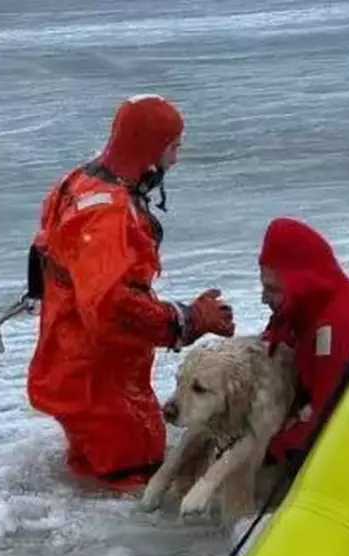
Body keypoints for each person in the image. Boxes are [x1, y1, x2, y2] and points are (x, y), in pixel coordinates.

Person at [25, 93, 236, 494]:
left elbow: (43, 252)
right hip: (104, 386)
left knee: (93, 484)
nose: (177, 158)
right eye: (173, 148)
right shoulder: (111, 215)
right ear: (150, 150)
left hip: (68, 368)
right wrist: (189, 320)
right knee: (139, 487)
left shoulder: (77, 183)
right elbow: (112, 308)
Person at [258, 216, 349, 465]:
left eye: (272, 290)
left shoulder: (348, 326)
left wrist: (266, 448)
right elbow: (266, 352)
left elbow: (332, 425)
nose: (263, 298)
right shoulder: (299, 311)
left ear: (300, 283)